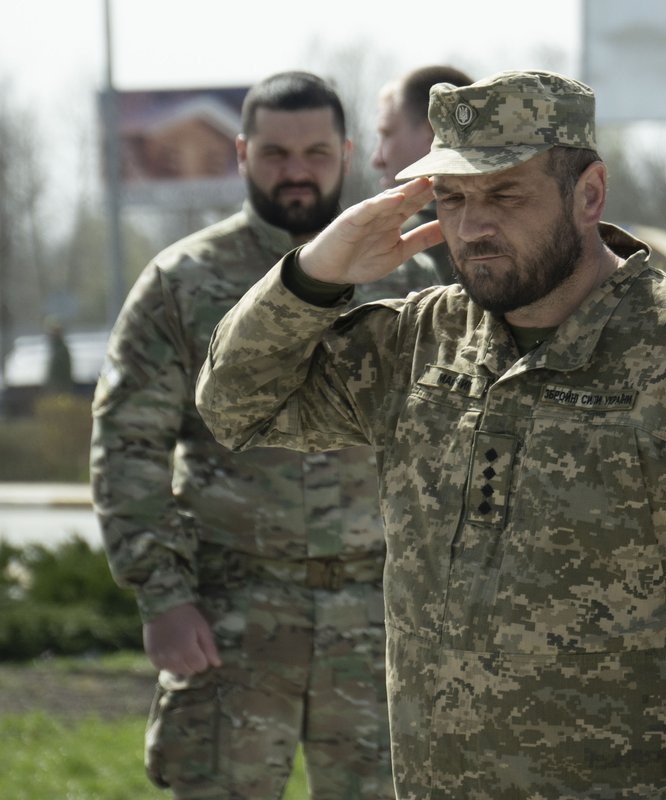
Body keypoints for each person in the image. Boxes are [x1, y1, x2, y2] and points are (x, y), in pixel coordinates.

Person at [196, 69, 666, 798]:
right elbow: (234, 404)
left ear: (589, 195)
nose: (473, 226)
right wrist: (317, 272)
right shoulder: (422, 341)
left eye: (505, 195)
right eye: (451, 198)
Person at [91, 71, 439, 799]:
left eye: (315, 153)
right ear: (242, 153)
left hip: (377, 614)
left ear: (345, 153)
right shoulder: (181, 282)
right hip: (234, 611)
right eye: (276, 154)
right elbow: (129, 446)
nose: (296, 172)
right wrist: (162, 596)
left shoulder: (406, 278)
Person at [371, 64, 471, 283]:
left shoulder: (389, 244)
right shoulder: (516, 223)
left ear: (435, 132)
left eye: (386, 134)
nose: (376, 159)